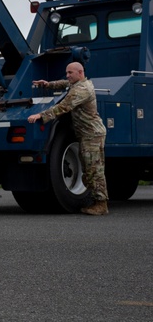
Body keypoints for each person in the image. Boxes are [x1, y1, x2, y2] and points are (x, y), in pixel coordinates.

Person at [28, 62, 108, 215]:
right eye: (67, 72)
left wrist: (41, 115)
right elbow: (64, 83)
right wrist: (48, 84)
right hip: (87, 134)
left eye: (70, 73)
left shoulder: (82, 90)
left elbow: (63, 107)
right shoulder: (77, 83)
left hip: (92, 135)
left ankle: (101, 204)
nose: (67, 76)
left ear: (80, 72)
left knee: (94, 169)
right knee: (88, 169)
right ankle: (96, 201)